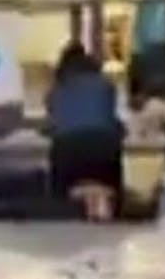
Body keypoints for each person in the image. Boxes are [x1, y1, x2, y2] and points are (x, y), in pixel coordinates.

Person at [46, 41, 123, 222]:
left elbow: (54, 123)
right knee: (110, 189)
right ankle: (111, 220)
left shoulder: (56, 90)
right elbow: (110, 119)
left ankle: (65, 225)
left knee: (61, 197)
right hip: (105, 146)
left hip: (67, 148)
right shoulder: (106, 85)